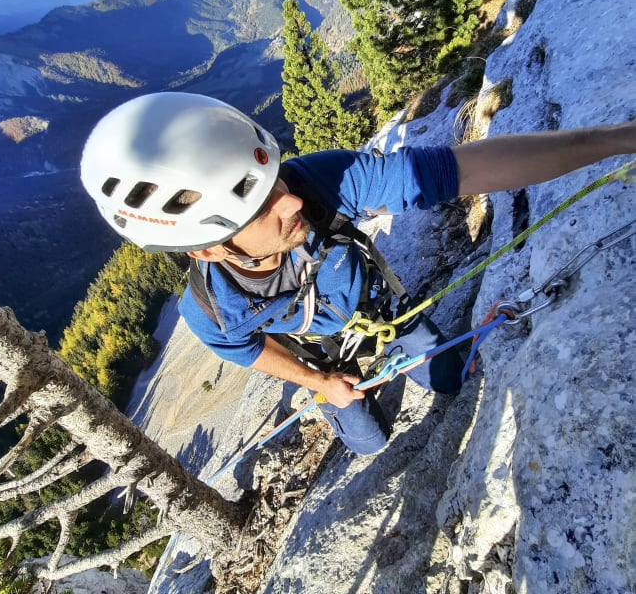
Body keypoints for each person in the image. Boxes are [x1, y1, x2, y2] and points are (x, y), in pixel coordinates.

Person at [80, 91, 636, 455]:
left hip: (380, 313)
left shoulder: (322, 182)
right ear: (207, 251)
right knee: (368, 443)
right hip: (324, 356)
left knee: (450, 378)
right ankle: (351, 404)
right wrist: (320, 383)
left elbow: (466, 169)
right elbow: (246, 350)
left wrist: (619, 139)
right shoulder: (209, 310)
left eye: (273, 180)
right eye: (259, 208)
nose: (291, 201)